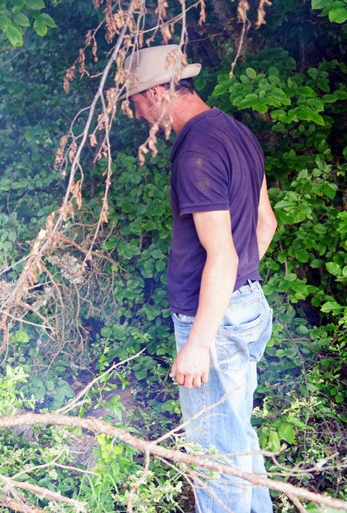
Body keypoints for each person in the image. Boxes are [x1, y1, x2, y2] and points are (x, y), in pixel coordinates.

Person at [123, 45, 278, 512]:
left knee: (215, 455)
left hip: (215, 322)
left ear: (155, 93)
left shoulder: (197, 150)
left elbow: (223, 253)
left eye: (134, 103)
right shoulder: (236, 132)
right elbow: (266, 224)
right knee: (237, 441)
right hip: (246, 307)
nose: (135, 115)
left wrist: (199, 340)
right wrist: (237, 286)